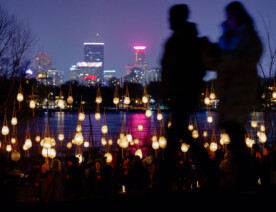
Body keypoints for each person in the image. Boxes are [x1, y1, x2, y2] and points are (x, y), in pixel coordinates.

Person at [202, 1, 263, 190]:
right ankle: (246, 181)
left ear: (238, 17)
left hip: (239, 94)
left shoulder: (248, 37)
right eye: (227, 17)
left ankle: (246, 182)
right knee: (236, 139)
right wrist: (208, 53)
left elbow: (243, 61)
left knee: (236, 138)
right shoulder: (227, 37)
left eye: (230, 17)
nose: (228, 21)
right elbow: (217, 63)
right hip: (228, 95)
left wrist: (224, 57)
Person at [160, 4, 206, 192]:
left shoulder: (186, 39)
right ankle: (209, 167)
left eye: (172, 16)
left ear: (179, 18)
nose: (169, 20)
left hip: (183, 95)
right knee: (180, 136)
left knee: (172, 139)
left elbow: (189, 68)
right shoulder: (178, 39)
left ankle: (163, 184)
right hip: (178, 95)